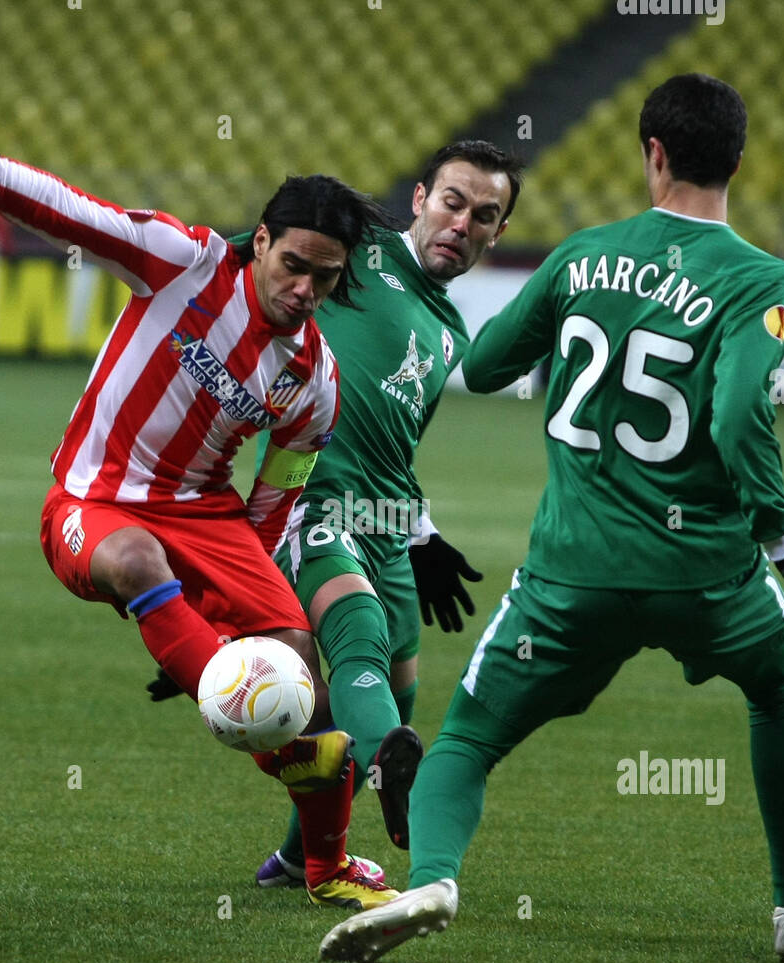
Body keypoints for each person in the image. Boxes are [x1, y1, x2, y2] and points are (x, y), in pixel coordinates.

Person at [319, 73, 784, 963]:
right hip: (709, 576)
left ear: (653, 153)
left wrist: (576, 360)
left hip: (570, 576)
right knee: (776, 691)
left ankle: (432, 881)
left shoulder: (581, 257)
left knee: (465, 740)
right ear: (736, 158)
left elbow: (489, 365)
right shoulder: (762, 278)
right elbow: (734, 413)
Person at [0, 95, 400, 911]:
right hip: (93, 499)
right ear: (260, 241)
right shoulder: (185, 260)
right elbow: (69, 212)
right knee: (136, 560)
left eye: (326, 278)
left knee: (302, 667)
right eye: (293, 266)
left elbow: (274, 501)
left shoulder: (313, 381)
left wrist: (226, 621)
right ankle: (231, 700)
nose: (306, 289)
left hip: (205, 514)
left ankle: (326, 865)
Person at [149, 142, 526, 891]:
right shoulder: (353, 257)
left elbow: (394, 438)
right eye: (453, 201)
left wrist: (422, 532)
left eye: (485, 215)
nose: (463, 223)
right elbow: (247, 259)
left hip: (385, 521)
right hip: (310, 499)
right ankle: (397, 774)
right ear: (420, 198)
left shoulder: (450, 329)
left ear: (497, 233)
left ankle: (296, 858)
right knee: (357, 639)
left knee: (399, 678)